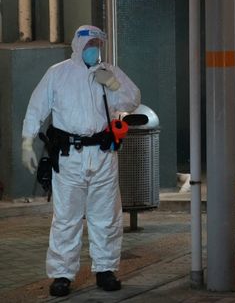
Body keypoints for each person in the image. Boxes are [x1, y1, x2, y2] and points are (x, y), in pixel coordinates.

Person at [21, 25, 141, 297]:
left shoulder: (108, 72)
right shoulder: (58, 74)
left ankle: (106, 270)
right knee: (66, 218)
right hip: (69, 157)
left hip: (102, 154)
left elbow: (133, 99)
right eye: (89, 45)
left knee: (106, 216)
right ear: (78, 46)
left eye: (98, 44)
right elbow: (37, 106)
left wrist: (111, 84)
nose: (94, 49)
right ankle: (62, 274)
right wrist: (27, 141)